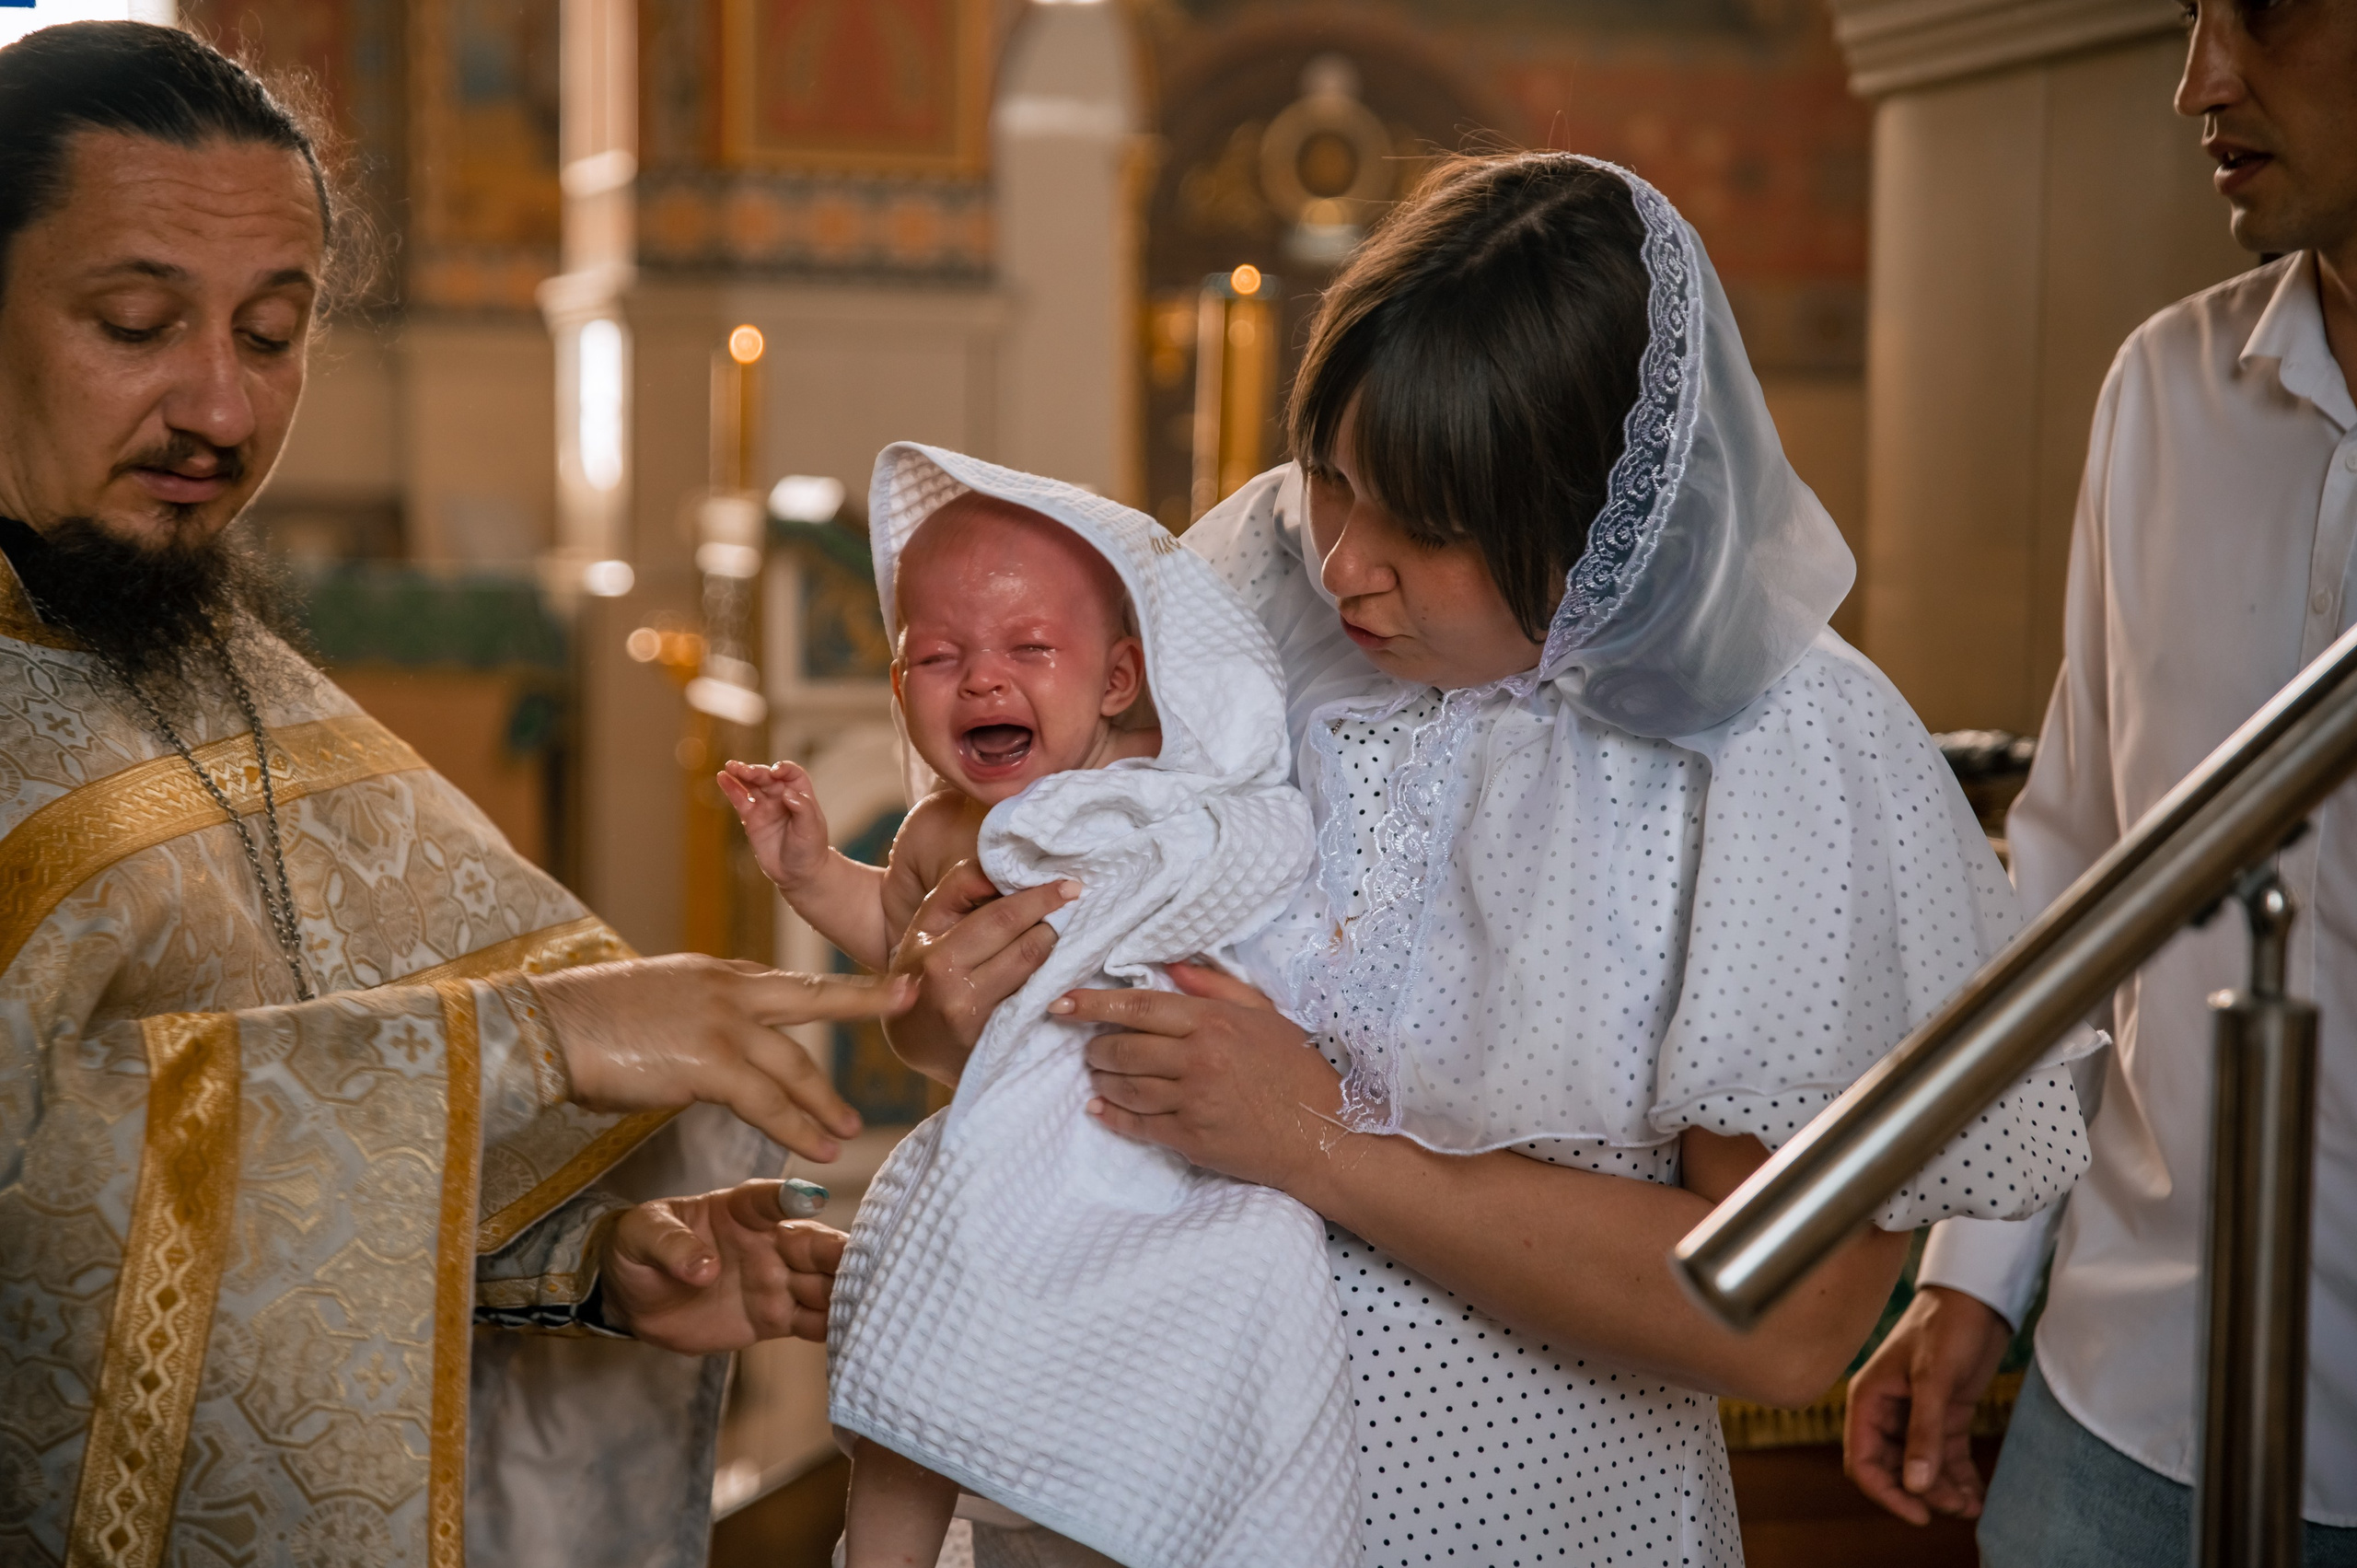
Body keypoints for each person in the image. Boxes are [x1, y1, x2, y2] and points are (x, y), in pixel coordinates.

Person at [792, 153, 2096, 1567]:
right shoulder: (1243, 593)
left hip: (1521, 1519)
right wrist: (951, 1017)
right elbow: (1042, 945)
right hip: (1121, 1494)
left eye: (1426, 525)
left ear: (1593, 518)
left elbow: (1787, 1317)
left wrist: (1320, 1141)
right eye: (1333, 478)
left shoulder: (1779, 741)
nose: (1347, 561)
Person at [0, 23, 904, 1567]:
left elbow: (270, 1208)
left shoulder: (215, 656)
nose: (219, 407)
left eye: (274, 336)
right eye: (137, 322)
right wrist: (535, 1041)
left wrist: (584, 1262)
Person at [1841, 2, 2357, 1561]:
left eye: (2263, 12)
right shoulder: (2167, 396)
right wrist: (1974, 1267)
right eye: (2193, 16)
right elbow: (2071, 878)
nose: (2199, 78)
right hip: (2128, 1398)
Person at [727, 447, 1350, 1568]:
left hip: (1153, 1149)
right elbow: (904, 944)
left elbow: (1254, 882)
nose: (982, 681)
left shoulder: (1166, 794)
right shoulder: (939, 828)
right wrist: (812, 871)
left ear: (1118, 679)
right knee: (907, 1276)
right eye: (939, 656)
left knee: (1248, 1269)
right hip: (1008, 1144)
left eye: (1027, 648)